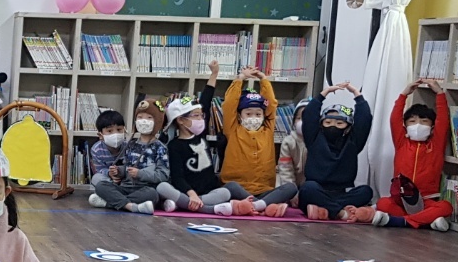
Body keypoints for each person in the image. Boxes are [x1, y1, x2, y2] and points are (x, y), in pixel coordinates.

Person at [219, 66, 300, 217]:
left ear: (263, 115)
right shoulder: (233, 129)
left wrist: (263, 79)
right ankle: (265, 206)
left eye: (258, 114)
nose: (254, 117)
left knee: (290, 188)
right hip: (239, 188)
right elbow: (229, 105)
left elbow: (272, 105)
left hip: (264, 190)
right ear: (240, 115)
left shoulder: (267, 129)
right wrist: (240, 79)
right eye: (248, 114)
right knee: (230, 187)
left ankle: (254, 205)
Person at [376, 79, 452, 230]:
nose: (418, 125)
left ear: (432, 127)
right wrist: (404, 94)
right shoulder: (401, 143)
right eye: (412, 121)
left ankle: (402, 221)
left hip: (426, 200)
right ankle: (426, 221)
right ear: (405, 126)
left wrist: (440, 93)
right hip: (401, 200)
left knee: (446, 207)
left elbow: (443, 120)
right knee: (382, 203)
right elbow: (394, 119)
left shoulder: (436, 144)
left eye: (424, 121)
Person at [158, 95, 253, 214]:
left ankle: (257, 205)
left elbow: (206, 101)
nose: (200, 119)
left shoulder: (201, 137)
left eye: (201, 115)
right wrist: (192, 194)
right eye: (196, 115)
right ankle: (208, 208)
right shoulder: (174, 146)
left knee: (227, 191)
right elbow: (178, 177)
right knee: (162, 187)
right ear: (180, 120)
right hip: (188, 192)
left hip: (210, 192)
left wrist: (213, 79)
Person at [297, 83, 377, 222]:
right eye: (328, 123)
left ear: (348, 127)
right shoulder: (314, 139)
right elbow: (309, 115)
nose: (333, 126)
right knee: (307, 188)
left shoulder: (353, 143)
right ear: (321, 124)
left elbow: (364, 120)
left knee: (366, 191)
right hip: (317, 190)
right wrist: (324, 94)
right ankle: (340, 212)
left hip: (341, 193)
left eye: (339, 124)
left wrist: (357, 95)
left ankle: (326, 209)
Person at [86, 108, 160, 214]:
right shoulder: (96, 149)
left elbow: (133, 167)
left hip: (128, 183)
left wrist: (123, 173)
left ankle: (110, 202)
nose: (115, 134)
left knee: (152, 193)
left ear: (124, 130)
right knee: (98, 181)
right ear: (100, 135)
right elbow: (99, 169)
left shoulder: (129, 146)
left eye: (119, 130)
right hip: (110, 182)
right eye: (109, 131)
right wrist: (110, 174)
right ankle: (131, 205)